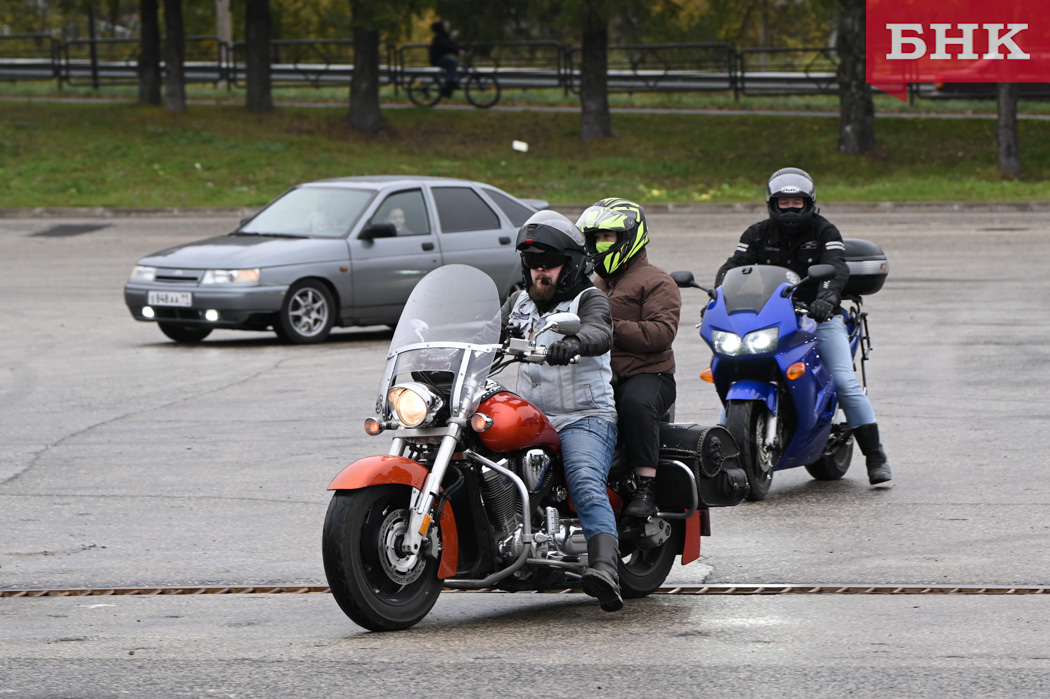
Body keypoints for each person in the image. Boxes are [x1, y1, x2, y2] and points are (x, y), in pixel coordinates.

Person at [715, 167, 892, 486]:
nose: (791, 208)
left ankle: (876, 456)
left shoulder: (825, 231)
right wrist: (718, 298)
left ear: (809, 202)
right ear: (772, 203)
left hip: (819, 317)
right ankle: (720, 459)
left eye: (797, 202)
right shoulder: (756, 234)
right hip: (773, 317)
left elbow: (836, 268)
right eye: (784, 202)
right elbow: (735, 268)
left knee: (843, 380)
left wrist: (826, 299)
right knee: (735, 368)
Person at [500, 210, 623, 612]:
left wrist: (575, 342)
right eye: (534, 265)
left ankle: (605, 568)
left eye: (549, 265)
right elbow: (484, 334)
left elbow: (600, 331)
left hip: (583, 415)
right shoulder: (517, 302)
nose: (540, 273)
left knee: (585, 480)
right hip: (528, 418)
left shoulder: (590, 298)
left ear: (570, 266)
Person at [576, 198, 681, 519]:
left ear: (628, 238)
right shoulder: (597, 283)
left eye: (607, 236)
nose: (599, 244)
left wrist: (608, 327)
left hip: (649, 376)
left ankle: (646, 487)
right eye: (595, 237)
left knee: (635, 403)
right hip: (602, 375)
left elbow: (661, 333)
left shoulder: (657, 281)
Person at [428, 20, 464, 98]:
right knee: (453, 62)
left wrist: (461, 49)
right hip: (437, 59)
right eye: (446, 27)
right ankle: (450, 84)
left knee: (453, 63)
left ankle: (450, 82)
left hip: (441, 58)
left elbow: (452, 44)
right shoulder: (440, 37)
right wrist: (457, 51)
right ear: (442, 28)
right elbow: (447, 46)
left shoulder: (444, 36)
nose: (448, 29)